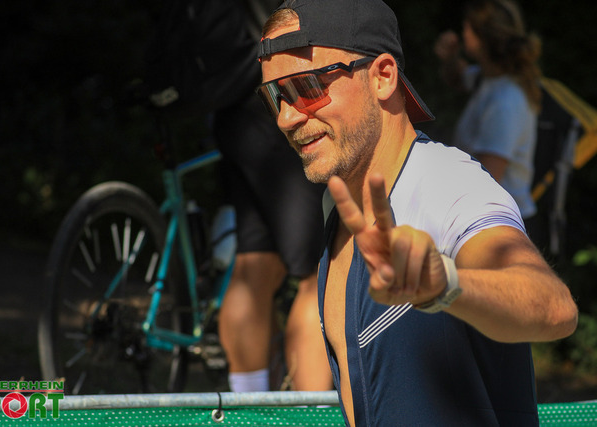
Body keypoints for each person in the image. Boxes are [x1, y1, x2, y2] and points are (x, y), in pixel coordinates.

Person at [256, 0, 578, 425]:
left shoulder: (446, 182)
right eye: (275, 95)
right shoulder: (337, 202)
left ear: (383, 77)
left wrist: (444, 285)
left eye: (308, 86)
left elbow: (554, 308)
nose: (286, 117)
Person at [145, 0, 333, 392]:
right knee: (318, 276)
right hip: (276, 104)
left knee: (255, 266)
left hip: (233, 112)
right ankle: (308, 414)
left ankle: (248, 407)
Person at [434, 0, 543, 238]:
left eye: (467, 28)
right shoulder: (488, 80)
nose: (463, 33)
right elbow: (459, 77)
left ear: (483, 38)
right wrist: (450, 58)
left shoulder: (505, 102)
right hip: (488, 218)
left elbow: (486, 180)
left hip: (501, 229)